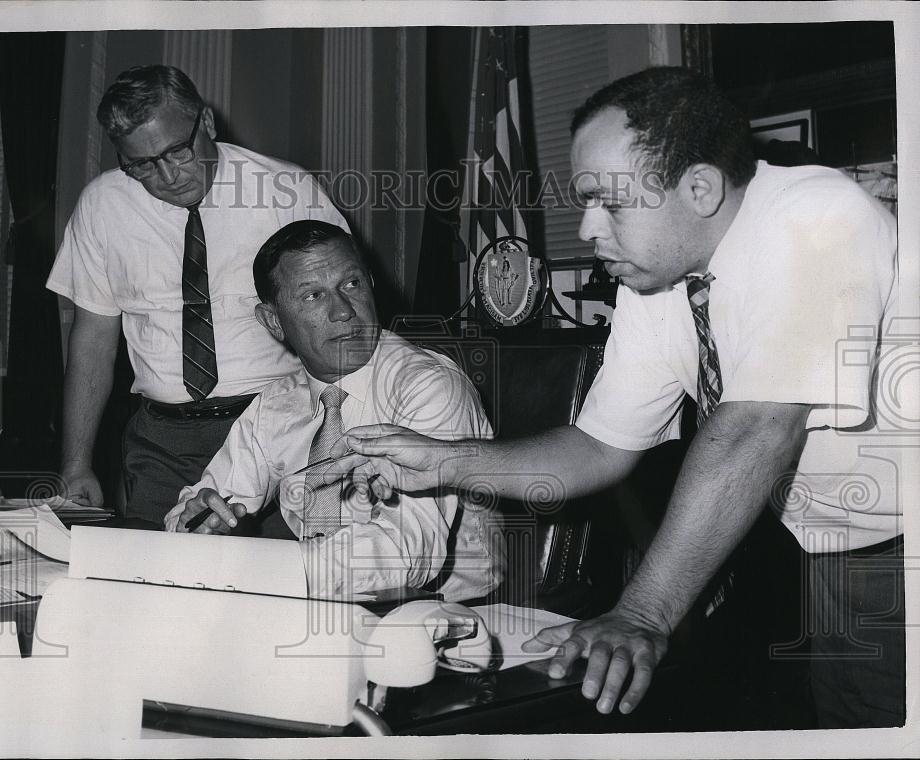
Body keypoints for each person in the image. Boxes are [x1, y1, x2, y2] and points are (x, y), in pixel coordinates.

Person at [320, 67, 904, 727]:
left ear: (700, 188)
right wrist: (442, 460)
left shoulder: (817, 216)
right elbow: (598, 446)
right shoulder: (661, 276)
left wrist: (642, 613)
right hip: (837, 545)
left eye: (609, 202)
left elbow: (756, 428)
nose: (588, 228)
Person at [47, 65, 348, 523]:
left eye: (178, 151)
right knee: (155, 565)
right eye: (141, 165)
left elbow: (344, 319)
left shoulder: (285, 191)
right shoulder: (102, 205)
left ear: (206, 122)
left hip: (278, 428)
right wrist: (75, 465)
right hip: (162, 443)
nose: (167, 176)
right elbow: (92, 341)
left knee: (274, 568)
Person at [163, 221, 504, 601]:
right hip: (313, 602)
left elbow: (408, 552)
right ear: (273, 321)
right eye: (313, 295)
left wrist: (268, 570)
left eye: (352, 284)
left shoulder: (429, 387)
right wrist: (195, 524)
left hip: (451, 612)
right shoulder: (276, 404)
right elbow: (207, 503)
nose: (343, 311)